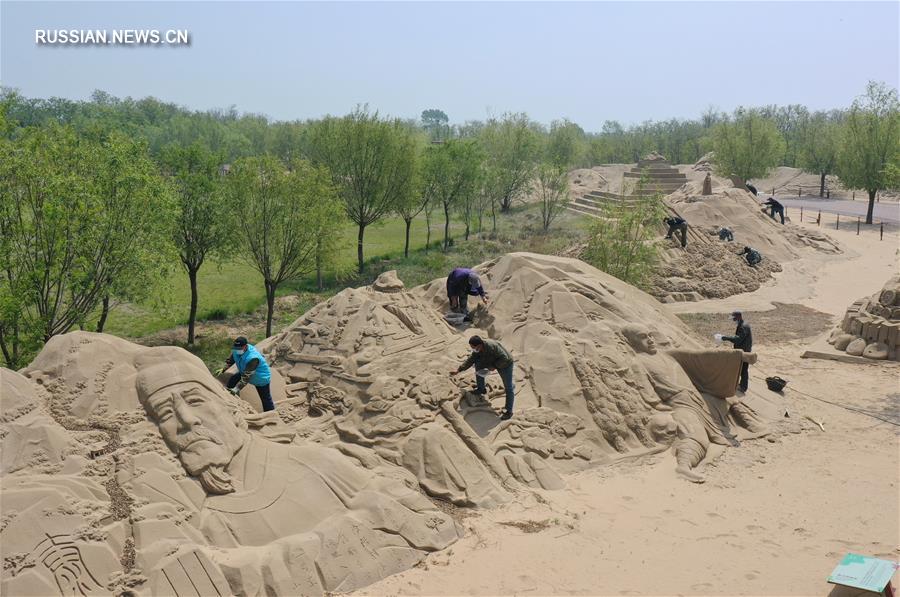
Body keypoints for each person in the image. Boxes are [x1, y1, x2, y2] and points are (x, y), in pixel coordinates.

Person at [450, 335, 515, 420]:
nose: (473, 349)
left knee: (508, 388)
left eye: (473, 347)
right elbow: (471, 359)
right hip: (491, 360)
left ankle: (508, 411)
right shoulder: (478, 349)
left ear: (479, 345)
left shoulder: (491, 347)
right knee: (478, 364)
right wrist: (459, 369)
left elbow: (504, 358)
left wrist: (494, 366)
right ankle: (481, 389)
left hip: (505, 364)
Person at [215, 336, 275, 411]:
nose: (237, 350)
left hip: (260, 377)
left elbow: (246, 377)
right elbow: (231, 360)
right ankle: (230, 400)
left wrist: (237, 388)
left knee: (265, 398)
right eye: (236, 348)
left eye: (239, 348)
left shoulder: (253, 358)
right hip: (244, 371)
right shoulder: (236, 349)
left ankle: (271, 415)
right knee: (232, 380)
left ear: (245, 346)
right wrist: (224, 368)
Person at [721, 311, 753, 392]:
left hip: (744, 351)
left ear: (738, 317)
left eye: (734, 318)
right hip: (743, 349)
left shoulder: (743, 326)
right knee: (741, 368)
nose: (733, 320)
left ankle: (743, 387)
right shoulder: (742, 324)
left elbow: (738, 340)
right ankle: (741, 385)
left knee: (744, 369)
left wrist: (727, 338)